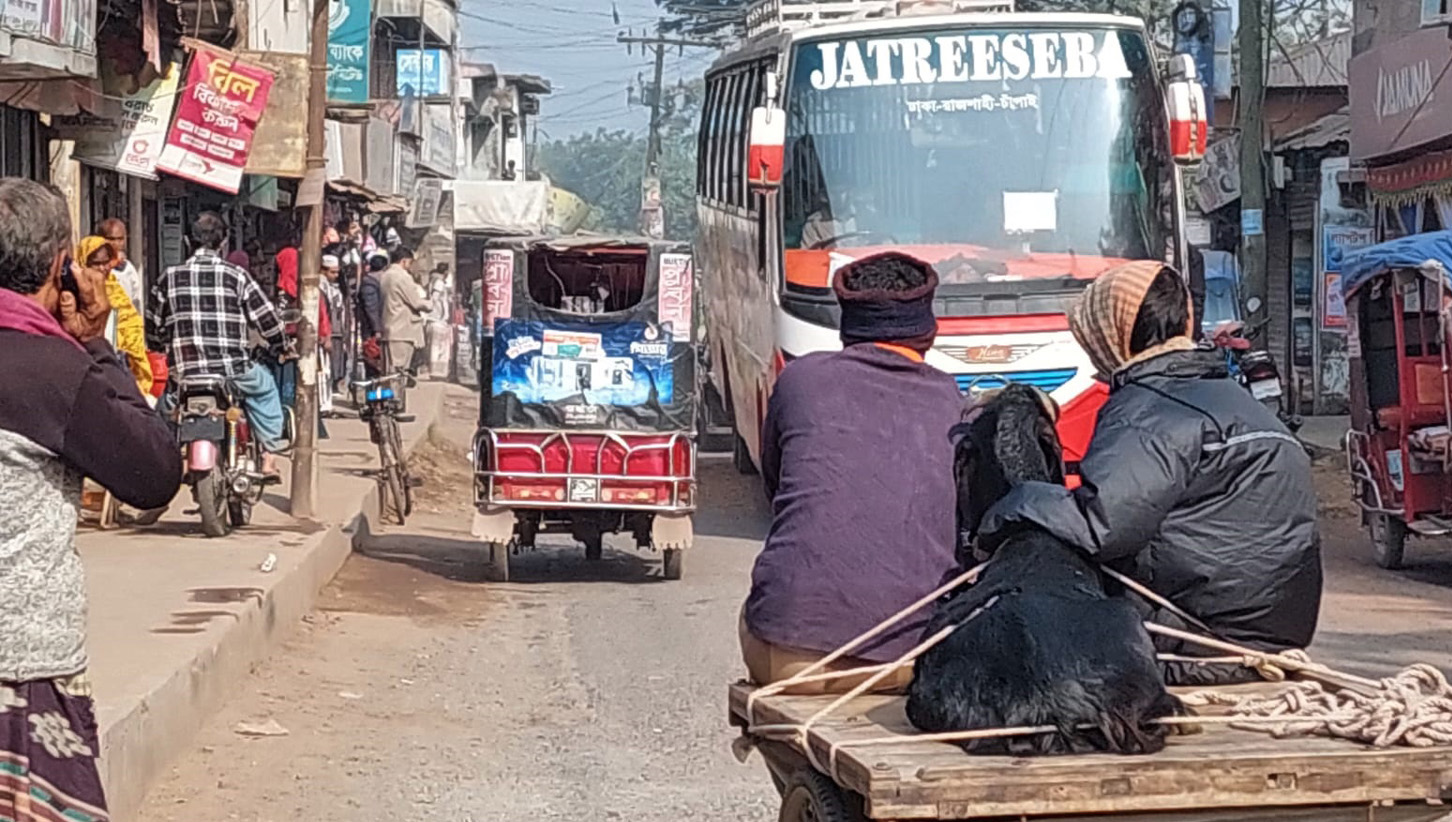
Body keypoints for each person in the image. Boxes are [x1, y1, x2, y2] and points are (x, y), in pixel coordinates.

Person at [978, 261, 1322, 686]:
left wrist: (1008, 508)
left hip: (1195, 641)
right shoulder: (1235, 397)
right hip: (1274, 637)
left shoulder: (1146, 407)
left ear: (1109, 335)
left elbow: (1099, 524)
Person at [0, 178, 180, 821]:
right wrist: (97, 346)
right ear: (59, 267)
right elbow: (153, 474)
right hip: (22, 668)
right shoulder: (55, 371)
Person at [741, 252, 962, 694]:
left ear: (848, 325)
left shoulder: (800, 380)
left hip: (792, 655)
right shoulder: (951, 399)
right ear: (927, 331)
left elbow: (775, 485)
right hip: (909, 659)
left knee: (756, 612)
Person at [150, 212, 290, 478]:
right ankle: (269, 457)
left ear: (186, 241)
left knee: (165, 410)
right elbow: (269, 321)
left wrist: (162, 344)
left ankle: (166, 463)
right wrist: (281, 344)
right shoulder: (237, 276)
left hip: (185, 376)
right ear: (223, 243)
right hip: (233, 372)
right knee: (265, 390)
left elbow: (153, 327)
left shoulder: (169, 277)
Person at [77, 235, 153, 398]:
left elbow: (132, 327)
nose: (103, 268)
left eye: (106, 262)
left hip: (118, 364)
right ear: (84, 263)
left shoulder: (117, 292)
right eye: (96, 264)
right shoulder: (75, 295)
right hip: (85, 365)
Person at [380, 245, 430, 379]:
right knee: (398, 372)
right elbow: (416, 302)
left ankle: (389, 398)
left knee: (389, 372)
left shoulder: (385, 275)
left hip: (390, 326)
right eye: (410, 262)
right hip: (402, 330)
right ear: (404, 261)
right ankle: (395, 398)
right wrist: (430, 304)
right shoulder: (402, 277)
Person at [96, 217, 143, 320]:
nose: (116, 243)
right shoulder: (96, 268)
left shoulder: (128, 269)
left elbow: (136, 301)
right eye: (111, 239)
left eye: (120, 239)